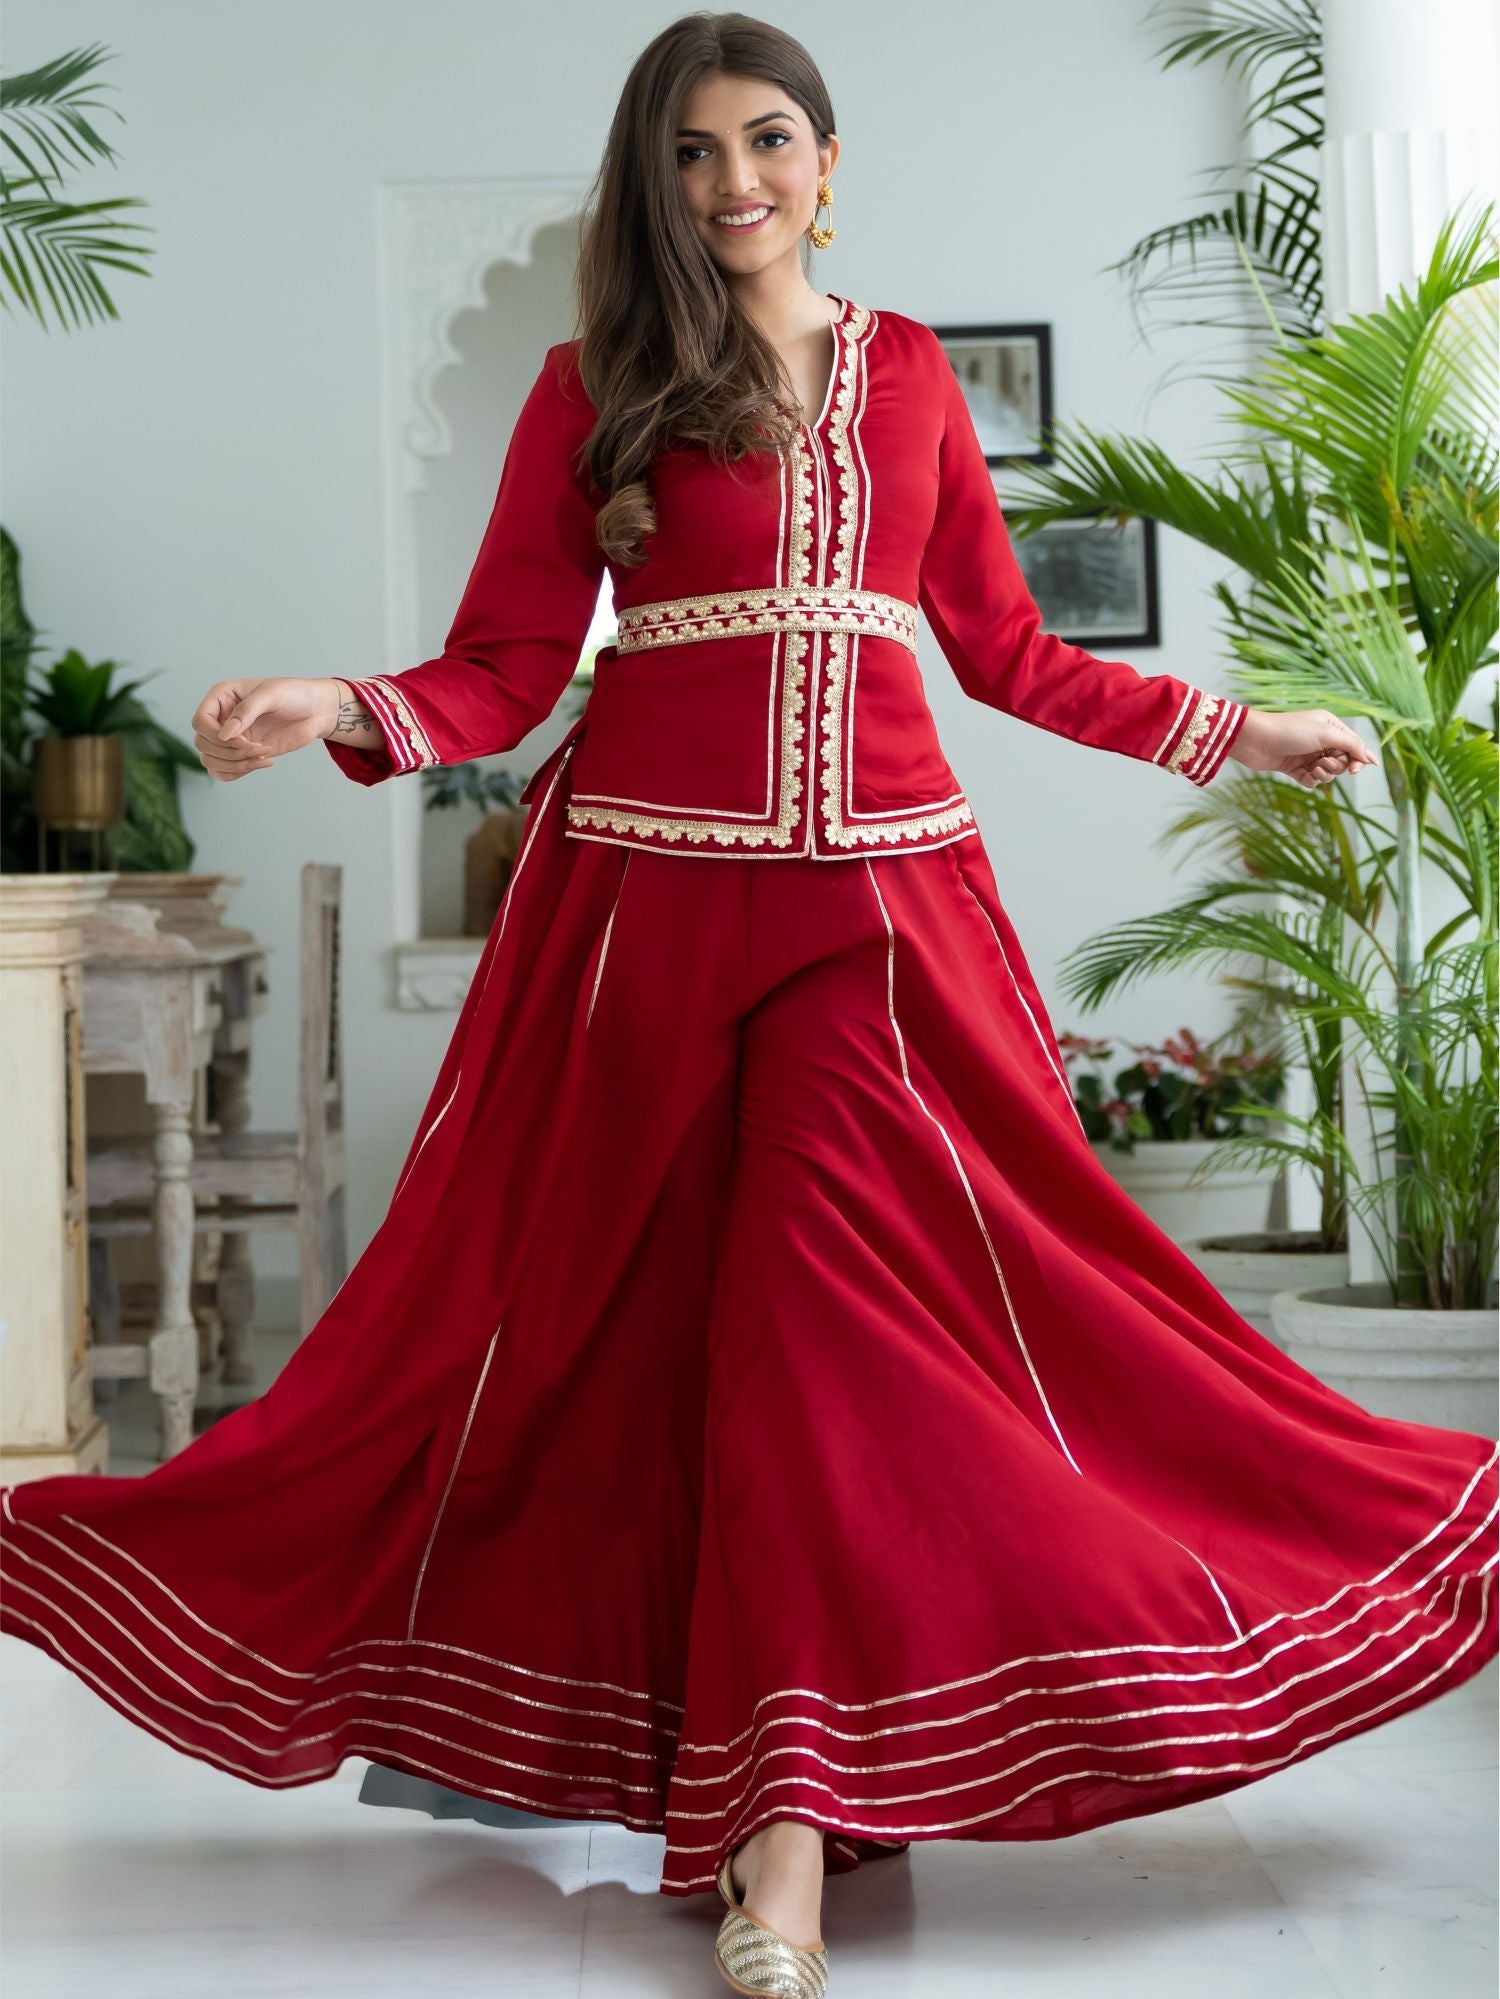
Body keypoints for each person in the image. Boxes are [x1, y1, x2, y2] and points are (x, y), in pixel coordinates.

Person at [3, 15, 1493, 1998]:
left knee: (851, 1325)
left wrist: (1240, 727)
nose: (733, 182)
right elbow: (505, 666)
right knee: (637, 1341)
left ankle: (778, 1837)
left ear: (829, 157)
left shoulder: (905, 383)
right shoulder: (591, 390)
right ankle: (773, 1798)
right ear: (657, 178)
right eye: (693, 151)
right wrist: (349, 704)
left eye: (767, 140)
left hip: (879, 925)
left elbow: (1013, 650)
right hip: (642, 923)